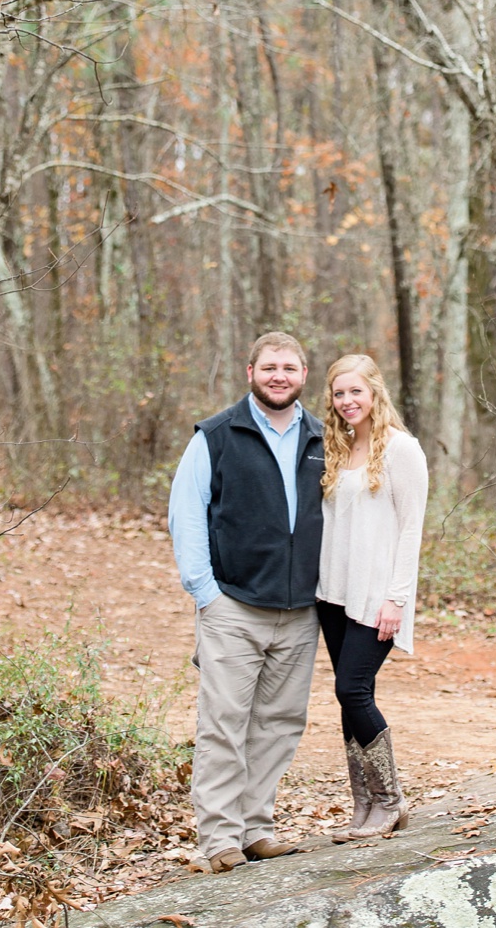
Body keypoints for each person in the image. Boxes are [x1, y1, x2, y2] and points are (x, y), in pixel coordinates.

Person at [168, 331, 325, 872]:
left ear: (304, 375)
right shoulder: (215, 436)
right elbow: (186, 515)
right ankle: (219, 838)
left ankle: (257, 827)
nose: (279, 376)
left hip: (301, 610)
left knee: (280, 723)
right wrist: (205, 593)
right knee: (224, 723)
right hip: (232, 605)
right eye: (269, 368)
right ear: (250, 372)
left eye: (289, 367)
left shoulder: (323, 439)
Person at [317, 353, 428, 841]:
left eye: (355, 392)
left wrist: (397, 599)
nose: (347, 402)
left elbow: (410, 529)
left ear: (375, 392)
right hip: (333, 593)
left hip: (377, 593)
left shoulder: (402, 449)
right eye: (339, 393)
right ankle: (364, 806)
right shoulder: (336, 449)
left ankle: (390, 800)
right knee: (351, 696)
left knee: (352, 689)